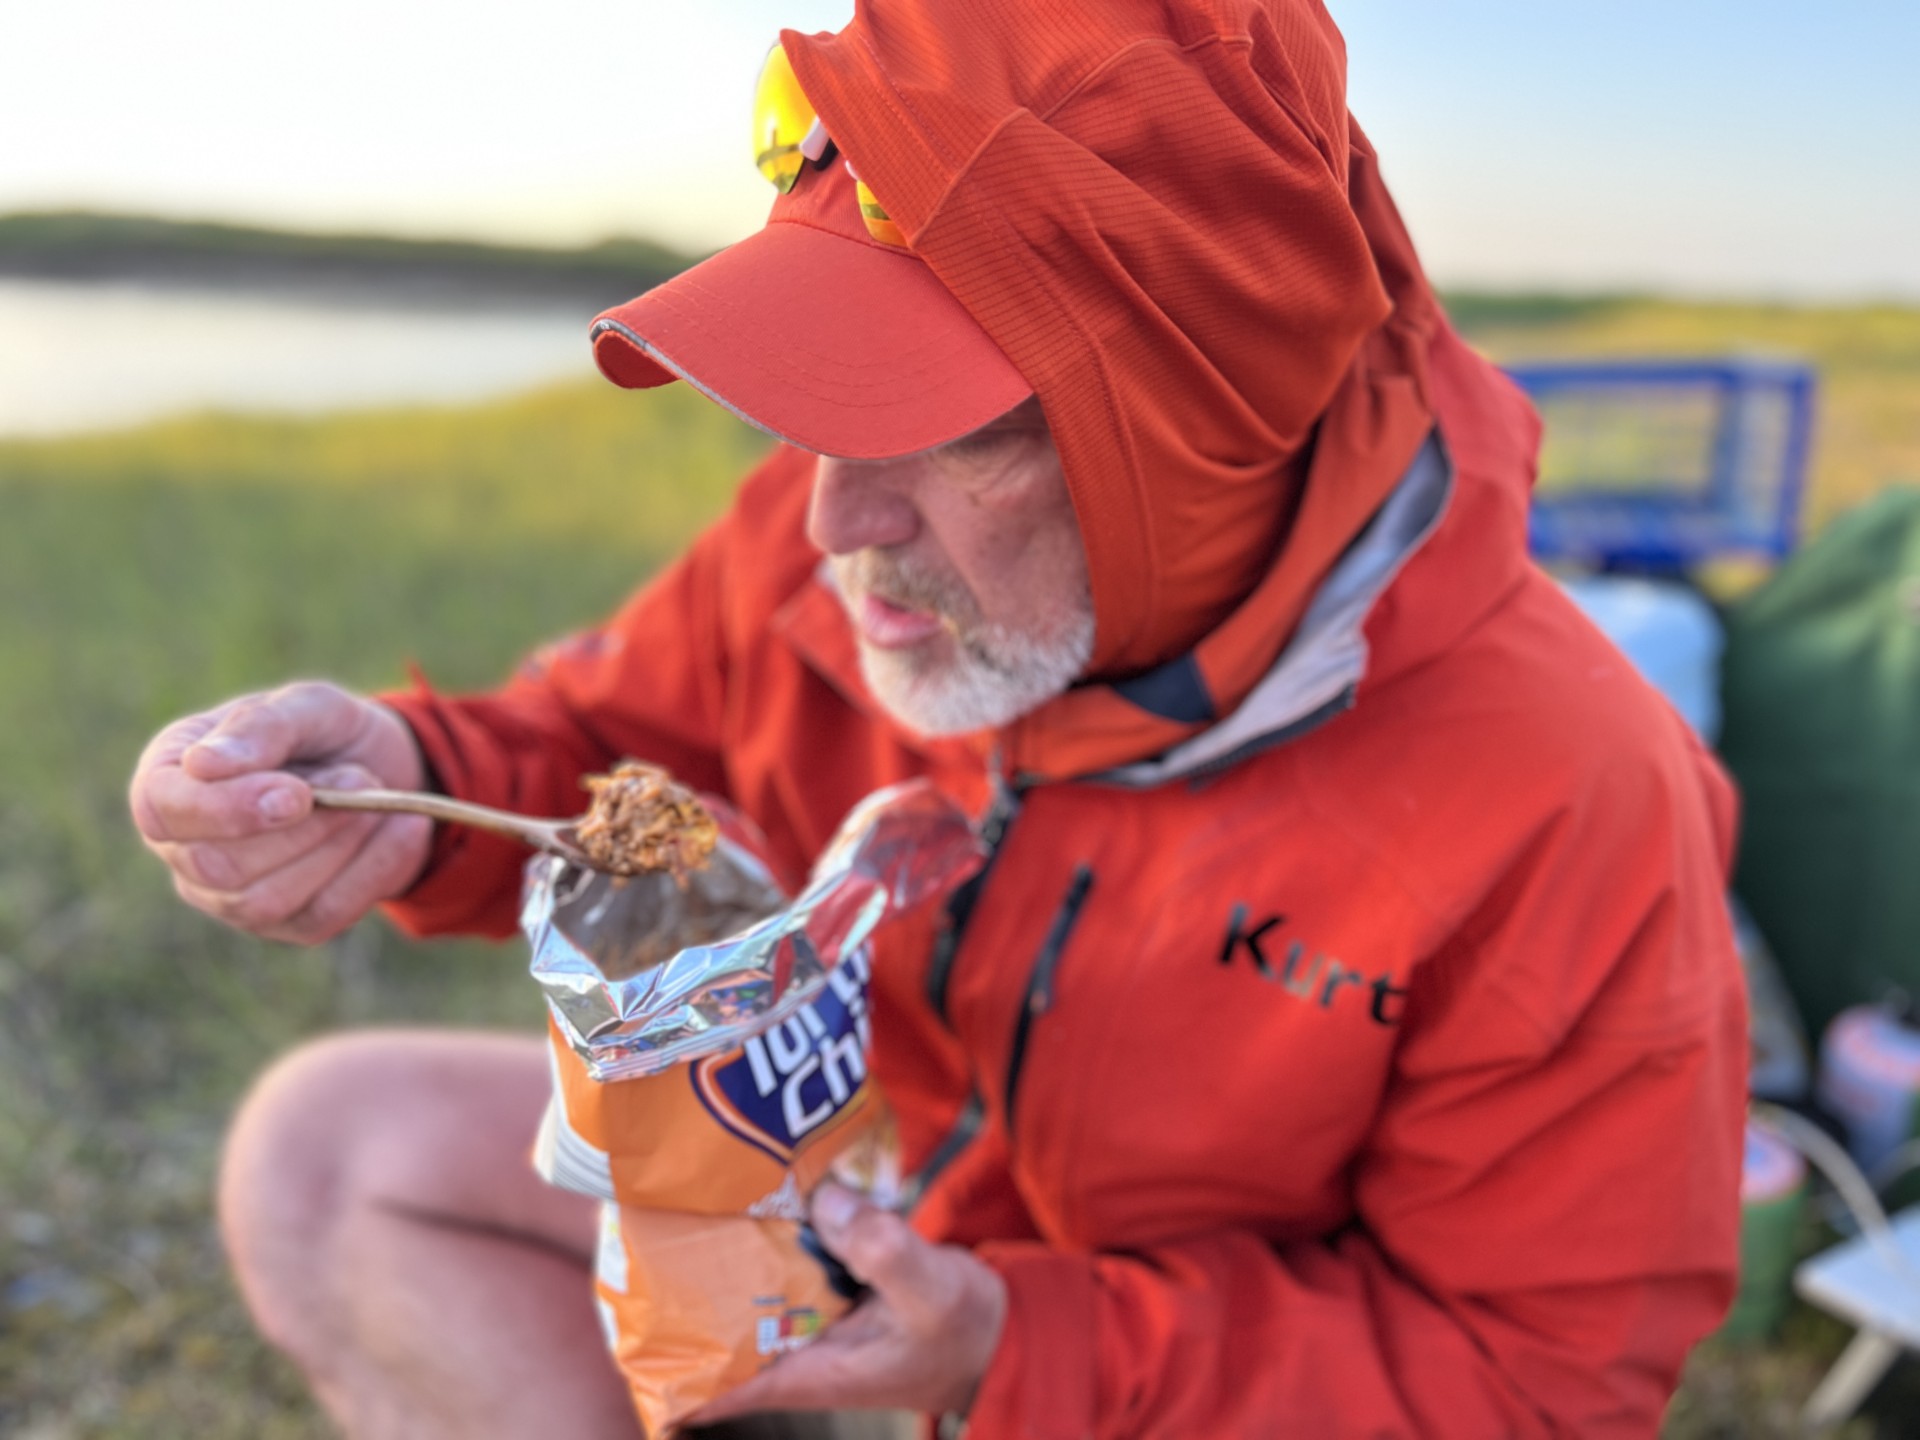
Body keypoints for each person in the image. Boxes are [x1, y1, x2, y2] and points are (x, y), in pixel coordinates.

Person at [129, 1, 1749, 1436]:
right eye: (828, 401)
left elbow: (1537, 1381)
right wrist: (410, 786)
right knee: (334, 1149)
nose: (832, 521)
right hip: (869, 1217)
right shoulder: (831, 547)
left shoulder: (1571, 793)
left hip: (1139, 1387)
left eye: (950, 429)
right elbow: (600, 751)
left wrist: (1010, 1350)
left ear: (1197, 436)